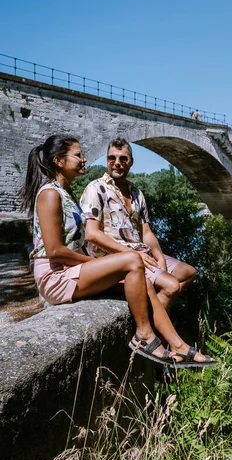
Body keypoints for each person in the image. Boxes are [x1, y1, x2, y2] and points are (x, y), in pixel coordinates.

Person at [20, 134, 215, 368]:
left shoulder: (66, 194)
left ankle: (179, 346)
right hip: (56, 277)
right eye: (78, 155)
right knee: (133, 261)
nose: (85, 159)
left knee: (142, 281)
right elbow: (54, 252)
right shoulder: (50, 194)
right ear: (58, 161)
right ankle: (144, 335)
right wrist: (91, 263)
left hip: (71, 271)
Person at [80, 137, 195, 312]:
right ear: (107, 161)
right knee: (171, 286)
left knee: (188, 273)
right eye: (112, 158)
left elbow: (146, 232)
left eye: (123, 159)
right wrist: (133, 254)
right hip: (114, 259)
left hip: (139, 253)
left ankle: (150, 311)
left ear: (131, 162)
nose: (117, 163)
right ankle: (147, 332)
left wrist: (160, 256)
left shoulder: (136, 193)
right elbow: (92, 234)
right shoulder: (95, 188)